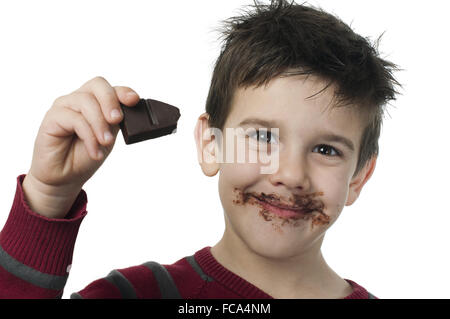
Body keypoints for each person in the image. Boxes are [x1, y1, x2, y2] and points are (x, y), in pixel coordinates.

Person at [0, 0, 401, 299]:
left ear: (360, 176)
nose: (291, 174)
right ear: (212, 144)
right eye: (262, 137)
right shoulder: (135, 295)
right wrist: (48, 197)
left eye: (327, 150)